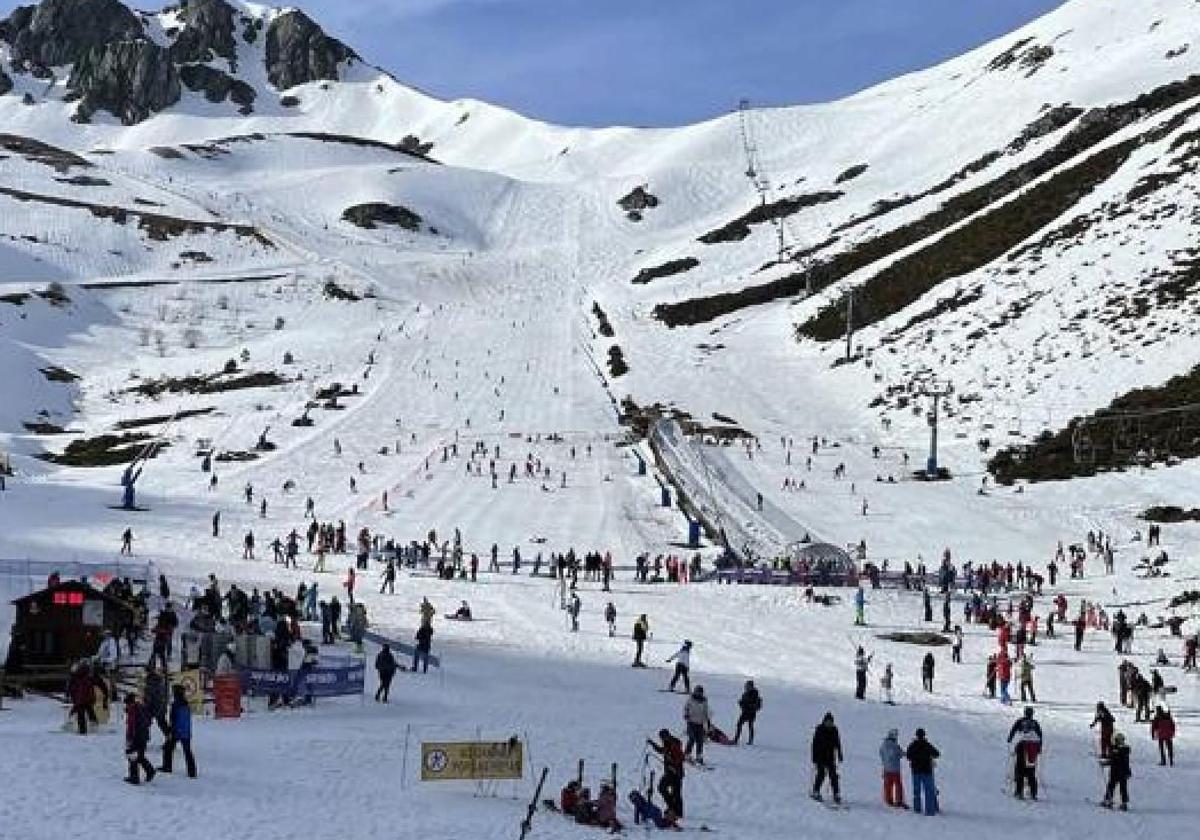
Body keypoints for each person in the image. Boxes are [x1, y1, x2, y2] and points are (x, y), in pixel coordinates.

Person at [647, 728, 686, 818]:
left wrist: (673, 764)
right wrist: (652, 744)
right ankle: (674, 810)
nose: (662, 739)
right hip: (670, 772)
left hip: (676, 772)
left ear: (667, 736)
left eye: (662, 737)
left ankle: (676, 811)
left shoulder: (674, 743)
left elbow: (680, 757)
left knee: (671, 791)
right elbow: (662, 751)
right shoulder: (668, 743)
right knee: (668, 790)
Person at [160, 684, 196, 778]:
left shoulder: (175, 704)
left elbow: (173, 719)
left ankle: (167, 766)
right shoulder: (186, 703)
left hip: (176, 731)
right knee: (187, 751)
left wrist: (171, 731)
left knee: (167, 748)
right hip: (186, 731)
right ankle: (192, 771)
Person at [1007, 707, 1043, 800]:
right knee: (1031, 771)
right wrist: (1039, 748)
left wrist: (1010, 739)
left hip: (1022, 746)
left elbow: (1013, 730)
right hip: (1033, 748)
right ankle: (1033, 793)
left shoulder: (1020, 721)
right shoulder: (1035, 723)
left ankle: (1019, 792)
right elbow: (1040, 736)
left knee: (1020, 769)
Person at [810, 712, 843, 804]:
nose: (829, 723)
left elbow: (837, 743)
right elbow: (814, 744)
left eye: (830, 722)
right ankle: (816, 791)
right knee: (821, 774)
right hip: (820, 756)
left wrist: (840, 754)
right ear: (824, 721)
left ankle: (836, 794)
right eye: (827, 722)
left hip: (830, 756)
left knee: (833, 776)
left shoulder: (834, 730)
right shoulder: (819, 729)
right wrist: (814, 757)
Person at [906, 728, 940, 816]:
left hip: (916, 771)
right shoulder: (927, 744)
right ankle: (930, 810)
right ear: (924, 735)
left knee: (916, 791)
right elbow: (937, 753)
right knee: (928, 791)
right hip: (926, 770)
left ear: (916, 735)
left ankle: (917, 809)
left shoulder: (912, 745)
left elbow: (908, 756)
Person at [123, 693, 155, 785]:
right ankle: (150, 771)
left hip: (136, 735)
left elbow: (131, 725)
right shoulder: (141, 707)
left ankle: (134, 777)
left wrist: (129, 738)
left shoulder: (133, 710)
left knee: (132, 755)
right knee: (140, 755)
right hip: (144, 735)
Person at [1100, 732, 1131, 810]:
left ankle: (1108, 800)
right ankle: (1124, 803)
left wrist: (1105, 763)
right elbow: (1124, 761)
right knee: (1123, 787)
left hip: (1115, 771)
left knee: (1111, 785)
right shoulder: (1125, 750)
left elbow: (1113, 760)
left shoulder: (1116, 750)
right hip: (1123, 771)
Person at [67, 661, 98, 735]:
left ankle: (84, 730)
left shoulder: (80, 679)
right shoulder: (78, 679)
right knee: (88, 710)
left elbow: (80, 692)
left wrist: (75, 705)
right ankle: (93, 724)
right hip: (84, 698)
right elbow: (71, 689)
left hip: (82, 698)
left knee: (82, 712)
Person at [683, 686, 711, 764]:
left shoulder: (704, 701)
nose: (699, 694)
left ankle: (699, 756)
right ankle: (687, 754)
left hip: (700, 723)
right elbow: (686, 708)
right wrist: (686, 715)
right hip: (691, 722)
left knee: (700, 741)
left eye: (700, 692)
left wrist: (707, 721)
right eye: (697, 692)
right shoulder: (690, 699)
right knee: (692, 739)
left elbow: (705, 711)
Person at [879, 729, 906, 808]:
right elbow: (900, 754)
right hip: (895, 769)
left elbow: (881, 754)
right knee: (898, 785)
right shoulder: (895, 745)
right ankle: (899, 800)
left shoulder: (883, 745)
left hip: (886, 768)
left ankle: (888, 799)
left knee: (888, 785)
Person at [733, 680, 762, 745]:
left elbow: (752, 704)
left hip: (750, 713)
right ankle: (736, 739)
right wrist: (741, 703)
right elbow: (744, 703)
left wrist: (744, 704)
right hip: (745, 712)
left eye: (747, 686)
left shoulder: (754, 694)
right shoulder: (746, 693)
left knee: (749, 726)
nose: (745, 687)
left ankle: (747, 740)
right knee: (740, 725)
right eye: (746, 686)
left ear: (751, 686)